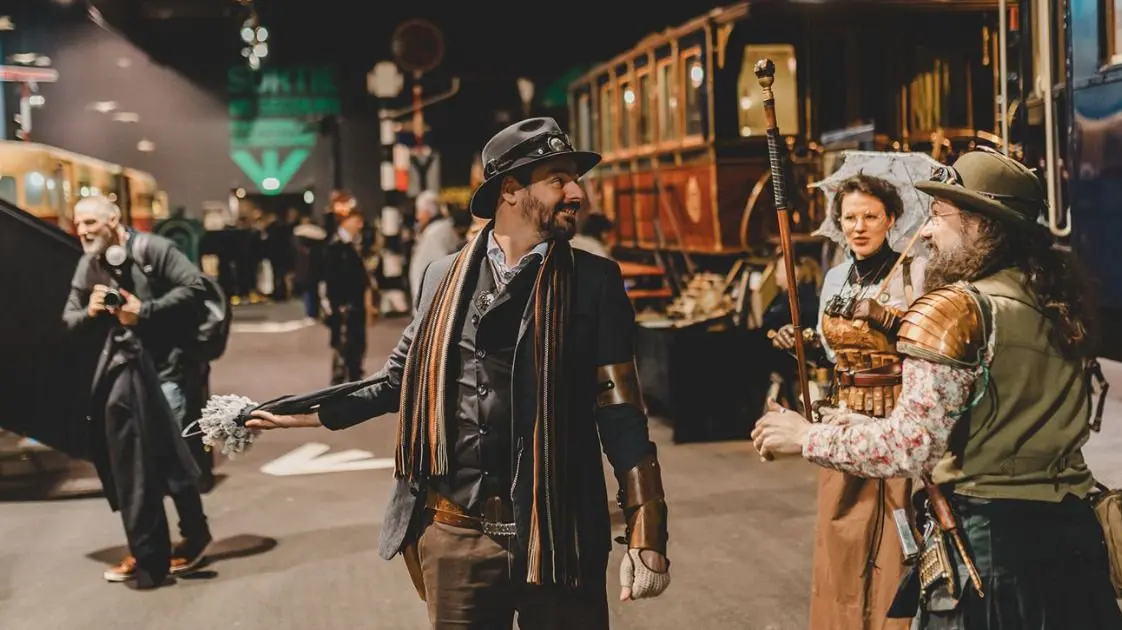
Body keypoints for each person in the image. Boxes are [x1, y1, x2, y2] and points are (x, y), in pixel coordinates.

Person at [245, 117, 671, 627]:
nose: (577, 193)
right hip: (456, 535)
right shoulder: (441, 276)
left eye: (574, 179)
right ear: (509, 190)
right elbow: (398, 380)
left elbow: (620, 411)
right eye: (559, 179)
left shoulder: (595, 281)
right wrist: (302, 413)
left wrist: (647, 529)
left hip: (561, 535)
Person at [753, 149, 1122, 629]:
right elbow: (996, 413)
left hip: (994, 552)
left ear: (980, 224)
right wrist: (868, 420)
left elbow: (909, 448)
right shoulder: (1055, 305)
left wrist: (803, 436)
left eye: (939, 217)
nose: (927, 232)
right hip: (1072, 541)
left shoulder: (957, 311)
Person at [769, 174, 927, 630]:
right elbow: (830, 349)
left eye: (871, 216)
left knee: (896, 538)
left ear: (891, 220)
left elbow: (929, 345)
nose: (860, 226)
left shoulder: (912, 272)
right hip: (844, 416)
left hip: (894, 416)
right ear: (838, 222)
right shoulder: (836, 276)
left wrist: (887, 321)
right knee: (842, 535)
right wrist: (800, 341)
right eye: (850, 217)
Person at [62, 196, 213, 589]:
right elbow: (69, 319)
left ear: (114, 219)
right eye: (78, 223)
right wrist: (92, 311)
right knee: (130, 466)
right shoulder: (88, 263)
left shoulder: (153, 249)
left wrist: (143, 311)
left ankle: (194, 536)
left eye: (91, 221)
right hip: (125, 375)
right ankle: (148, 546)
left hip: (167, 370)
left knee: (172, 457)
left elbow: (196, 288)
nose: (83, 230)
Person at [320, 204, 371, 385]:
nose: (360, 225)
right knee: (345, 347)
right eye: (356, 221)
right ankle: (342, 384)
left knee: (355, 346)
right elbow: (331, 279)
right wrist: (337, 305)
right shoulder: (336, 247)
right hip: (345, 306)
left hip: (353, 305)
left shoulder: (352, 244)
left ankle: (351, 380)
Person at [408, 190, 463, 301]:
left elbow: (436, 269)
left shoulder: (435, 233)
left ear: (427, 212)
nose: (417, 216)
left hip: (433, 301)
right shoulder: (439, 230)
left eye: (419, 211)